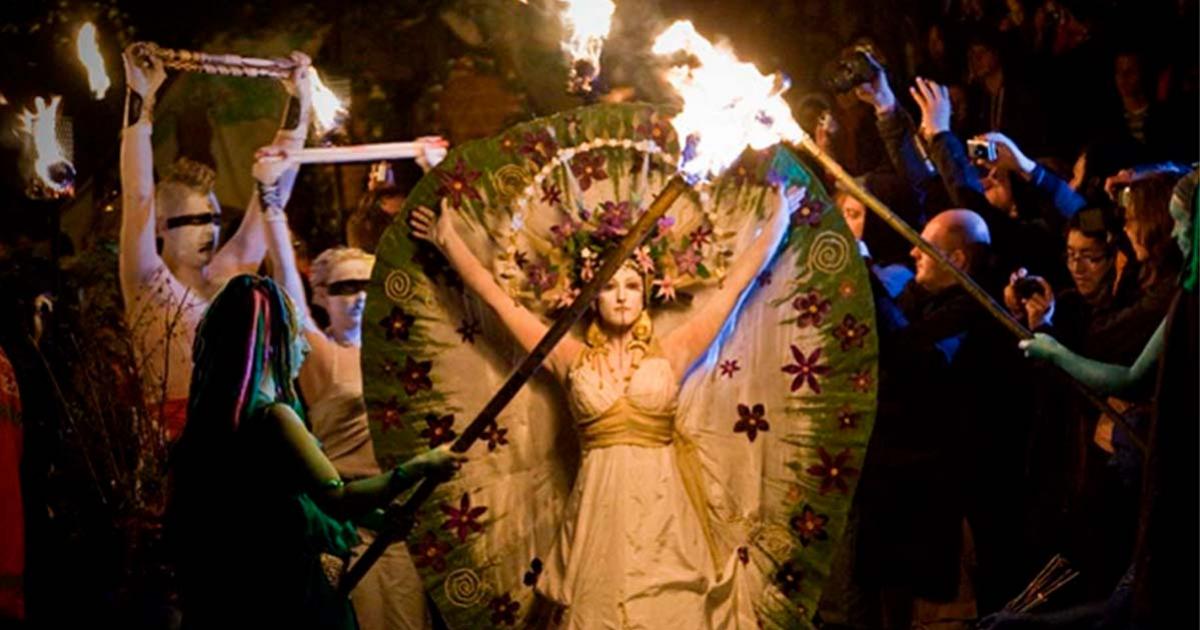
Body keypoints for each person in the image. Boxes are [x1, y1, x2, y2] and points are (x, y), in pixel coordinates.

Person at [406, 181, 803, 628]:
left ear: (646, 291)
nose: (620, 295)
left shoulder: (673, 351)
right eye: (609, 284)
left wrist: (777, 224)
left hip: (666, 518)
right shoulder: (567, 355)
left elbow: (733, 289)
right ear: (590, 296)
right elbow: (502, 305)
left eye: (632, 285)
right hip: (598, 518)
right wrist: (450, 243)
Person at [168, 275, 460, 629]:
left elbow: (286, 497)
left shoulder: (213, 425)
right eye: (295, 338)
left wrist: (377, 519)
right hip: (286, 595)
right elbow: (336, 497)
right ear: (272, 345)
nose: (304, 349)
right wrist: (422, 466)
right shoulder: (274, 417)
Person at [255, 152, 432, 630]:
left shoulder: (397, 351)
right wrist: (270, 199)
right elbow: (286, 283)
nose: (356, 298)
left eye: (365, 286)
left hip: (400, 520)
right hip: (347, 521)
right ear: (322, 295)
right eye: (343, 288)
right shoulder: (320, 356)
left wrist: (436, 175)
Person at [1015, 170, 1198, 629]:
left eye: (1182, 222)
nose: (1177, 233)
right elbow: (1133, 374)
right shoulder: (1183, 293)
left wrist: (1056, 347)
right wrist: (1053, 347)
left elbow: (1121, 366)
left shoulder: (1168, 296)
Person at [118, 44, 310, 440]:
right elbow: (137, 196)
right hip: (178, 451)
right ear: (160, 226)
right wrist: (139, 97)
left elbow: (272, 193)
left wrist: (299, 104)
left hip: (243, 444)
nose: (209, 231)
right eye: (193, 220)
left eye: (214, 219)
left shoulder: (230, 273)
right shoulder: (148, 284)